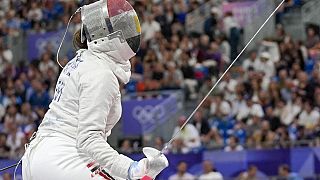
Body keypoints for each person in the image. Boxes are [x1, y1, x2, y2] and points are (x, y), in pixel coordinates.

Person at [21, 1, 168, 180]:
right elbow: (88, 139)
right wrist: (133, 168)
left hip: (39, 158)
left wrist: (146, 174)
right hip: (62, 157)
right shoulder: (100, 73)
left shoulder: (81, 62)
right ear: (106, 35)